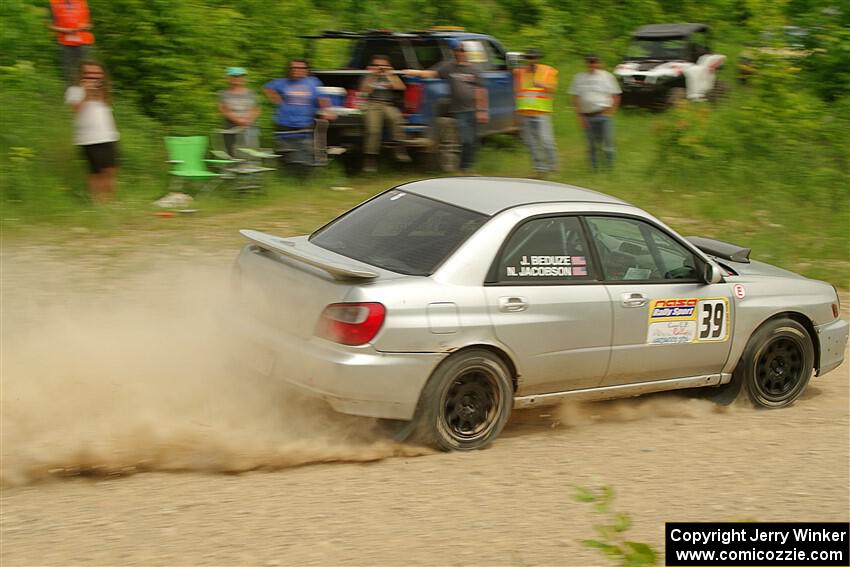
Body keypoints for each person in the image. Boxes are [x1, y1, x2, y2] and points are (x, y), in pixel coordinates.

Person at [404, 39, 488, 174]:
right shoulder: (448, 67)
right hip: (459, 110)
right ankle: (464, 168)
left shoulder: (474, 69)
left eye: (461, 50)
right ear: (453, 52)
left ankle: (468, 167)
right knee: (465, 139)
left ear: (465, 52)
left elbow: (481, 90)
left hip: (474, 109)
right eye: (456, 51)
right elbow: (430, 73)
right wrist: (414, 72)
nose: (459, 53)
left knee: (473, 140)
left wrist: (482, 110)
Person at [64, 60, 119, 201]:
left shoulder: (103, 90)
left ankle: (111, 201)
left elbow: (105, 110)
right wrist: (86, 93)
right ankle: (98, 201)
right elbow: (75, 110)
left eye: (97, 73)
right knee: (96, 172)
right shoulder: (74, 90)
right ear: (82, 74)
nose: (94, 76)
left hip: (108, 135)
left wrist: (99, 93)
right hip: (89, 138)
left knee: (111, 169)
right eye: (90, 73)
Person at [263, 59, 334, 166]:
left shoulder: (313, 82)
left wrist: (327, 111)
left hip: (304, 125)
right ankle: (286, 174)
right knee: (285, 155)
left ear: (306, 70)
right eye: (293, 68)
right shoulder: (281, 82)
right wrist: (276, 99)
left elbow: (322, 98)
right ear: (289, 70)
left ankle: (303, 175)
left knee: (304, 155)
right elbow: (267, 88)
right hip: (284, 124)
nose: (296, 70)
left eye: (300, 68)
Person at [569, 54, 621, 170]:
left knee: (608, 145)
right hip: (587, 116)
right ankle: (594, 169)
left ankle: (609, 168)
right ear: (586, 64)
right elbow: (575, 99)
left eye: (594, 62)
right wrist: (580, 117)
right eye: (590, 62)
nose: (592, 65)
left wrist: (610, 112)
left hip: (603, 115)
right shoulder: (579, 78)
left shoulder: (607, 77)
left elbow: (616, 95)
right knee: (591, 145)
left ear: (599, 63)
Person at [359, 55, 410, 173]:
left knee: (396, 119)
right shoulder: (368, 76)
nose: (380, 67)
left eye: (383, 65)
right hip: (372, 103)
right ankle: (370, 158)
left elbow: (401, 87)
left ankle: (399, 149)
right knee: (373, 130)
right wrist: (373, 75)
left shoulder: (391, 76)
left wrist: (389, 74)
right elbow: (364, 90)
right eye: (377, 65)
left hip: (388, 104)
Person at [513, 48, 558, 176]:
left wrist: (541, 84)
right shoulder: (520, 72)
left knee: (546, 140)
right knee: (532, 142)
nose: (531, 60)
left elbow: (552, 89)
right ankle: (539, 169)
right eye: (529, 58)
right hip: (526, 112)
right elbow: (517, 91)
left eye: (534, 58)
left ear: (538, 58)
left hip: (541, 112)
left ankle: (552, 167)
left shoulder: (547, 71)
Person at [49, 0, 95, 85]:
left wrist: (83, 27)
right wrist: (65, 30)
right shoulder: (54, 3)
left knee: (86, 70)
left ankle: (87, 94)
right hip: (66, 43)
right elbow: (50, 26)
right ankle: (72, 94)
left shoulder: (83, 2)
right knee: (69, 71)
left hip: (84, 42)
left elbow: (90, 24)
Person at [218, 66, 261, 158]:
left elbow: (256, 109)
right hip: (231, 130)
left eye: (241, 76)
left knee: (251, 156)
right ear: (229, 78)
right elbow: (224, 110)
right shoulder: (223, 94)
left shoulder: (251, 93)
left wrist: (248, 120)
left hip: (250, 130)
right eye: (235, 76)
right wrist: (238, 121)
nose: (238, 78)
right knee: (232, 156)